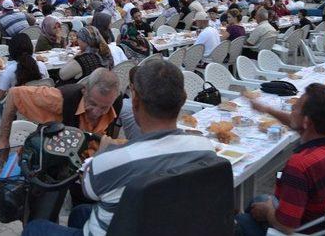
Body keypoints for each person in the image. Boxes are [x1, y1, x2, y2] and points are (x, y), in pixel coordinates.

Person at [21, 61, 218, 236]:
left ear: (135, 102)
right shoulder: (206, 148)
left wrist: (101, 154)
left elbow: (88, 189)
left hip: (129, 226)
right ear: (183, 99)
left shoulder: (111, 161)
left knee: (35, 227)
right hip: (159, 224)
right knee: (80, 213)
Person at [236, 84, 325, 236]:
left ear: (307, 122)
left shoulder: (300, 165)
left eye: (295, 107)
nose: (292, 108)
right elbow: (296, 122)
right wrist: (267, 109)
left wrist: (268, 211)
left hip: (307, 231)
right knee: (256, 202)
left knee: (240, 221)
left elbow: (287, 227)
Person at [0, 32, 48, 101]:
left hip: (18, 109)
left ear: (11, 51)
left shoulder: (10, 70)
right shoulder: (41, 65)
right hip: (39, 106)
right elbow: (47, 86)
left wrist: (7, 90)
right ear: (31, 48)